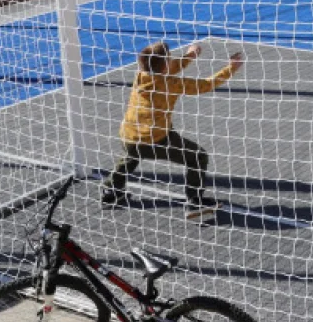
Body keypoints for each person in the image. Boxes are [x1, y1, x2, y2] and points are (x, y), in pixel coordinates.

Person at [102, 43, 245, 220]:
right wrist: (231, 68)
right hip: (156, 140)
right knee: (197, 156)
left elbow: (167, 68)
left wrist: (190, 56)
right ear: (165, 64)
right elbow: (206, 85)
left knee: (133, 154)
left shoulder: (140, 76)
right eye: (169, 58)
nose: (172, 61)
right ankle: (194, 202)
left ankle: (111, 190)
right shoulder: (171, 83)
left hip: (128, 135)